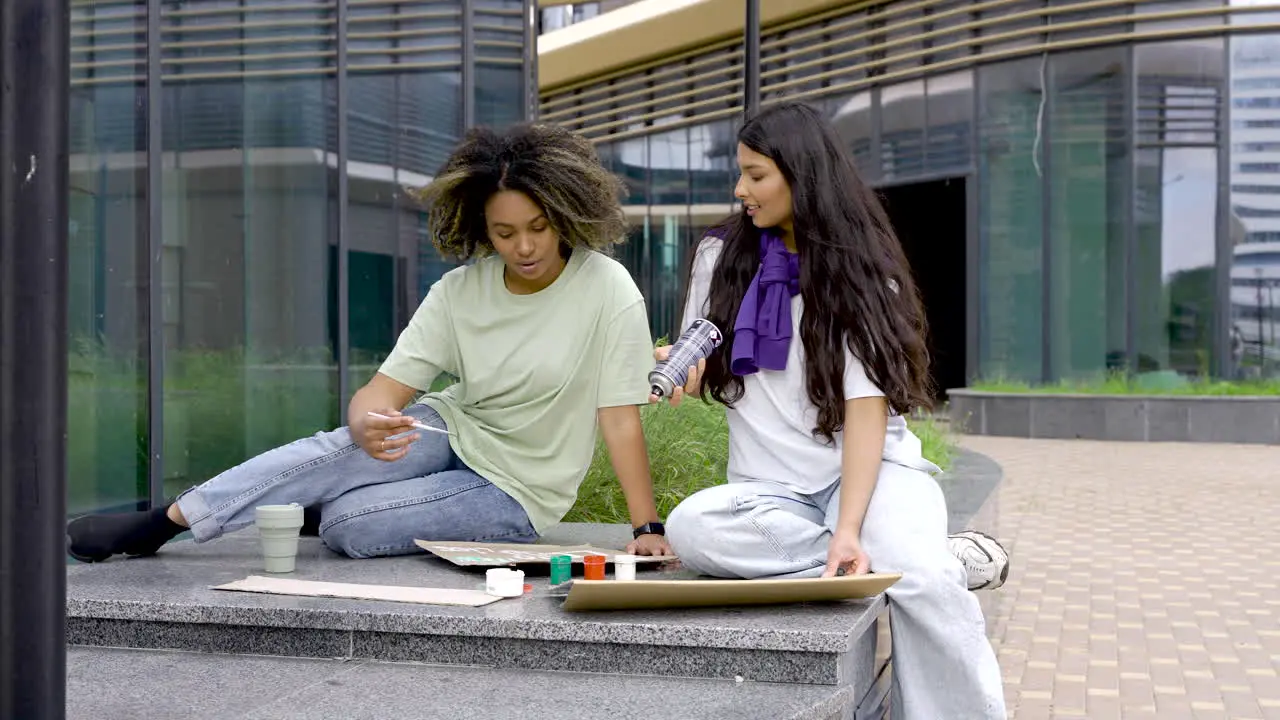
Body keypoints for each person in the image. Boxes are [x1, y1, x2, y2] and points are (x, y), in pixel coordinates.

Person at [68, 123, 674, 563]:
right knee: (334, 448)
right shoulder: (461, 291)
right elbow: (382, 392)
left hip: (520, 488)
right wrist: (364, 424)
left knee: (349, 527)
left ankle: (320, 504)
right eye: (506, 232)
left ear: (564, 213)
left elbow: (617, 417)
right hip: (453, 429)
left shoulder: (607, 287)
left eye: (539, 228)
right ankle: (162, 523)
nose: (525, 246)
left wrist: (646, 523)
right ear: (481, 230)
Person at [652, 102, 1006, 719]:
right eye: (740, 173)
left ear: (802, 174)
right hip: (770, 493)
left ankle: (918, 569)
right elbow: (703, 342)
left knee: (923, 586)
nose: (741, 190)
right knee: (691, 528)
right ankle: (923, 553)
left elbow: (867, 413)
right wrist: (686, 363)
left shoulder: (860, 274)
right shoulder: (719, 257)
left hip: (872, 474)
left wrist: (849, 527)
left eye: (756, 175)